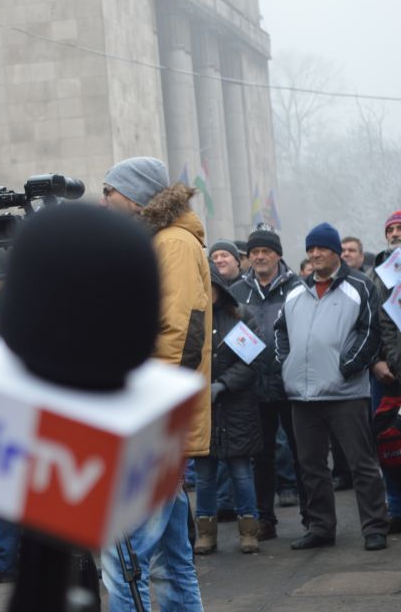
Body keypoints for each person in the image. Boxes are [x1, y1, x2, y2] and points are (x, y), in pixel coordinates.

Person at [100, 156, 210, 612]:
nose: (103, 201)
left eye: (109, 191)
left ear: (135, 197)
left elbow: (181, 336)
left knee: (122, 557)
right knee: (170, 560)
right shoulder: (161, 241)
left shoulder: (173, 244)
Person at [275, 222, 388, 551]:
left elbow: (372, 331)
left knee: (361, 463)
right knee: (311, 466)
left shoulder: (359, 286)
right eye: (310, 249)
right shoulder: (296, 291)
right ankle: (321, 527)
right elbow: (281, 330)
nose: (315, 254)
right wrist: (287, 362)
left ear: (336, 251)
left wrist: (349, 366)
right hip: (302, 395)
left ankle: (374, 527)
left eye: (321, 248)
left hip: (345, 393)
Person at [229, 226, 305, 540]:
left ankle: (313, 518)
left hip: (292, 384)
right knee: (261, 457)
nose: (260, 257)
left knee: (303, 454)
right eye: (255, 252)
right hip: (255, 386)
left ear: (278, 255)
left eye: (266, 251)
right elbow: (231, 334)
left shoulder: (297, 287)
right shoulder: (237, 291)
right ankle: (264, 520)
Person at [193, 263, 261, 555]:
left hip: (237, 408)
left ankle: (249, 531)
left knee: (241, 473)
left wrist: (223, 384)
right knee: (204, 477)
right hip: (202, 409)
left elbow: (252, 362)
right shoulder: (189, 320)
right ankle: (206, 534)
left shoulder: (240, 316)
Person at [369, 210, 401, 531]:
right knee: (388, 440)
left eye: (400, 228)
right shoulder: (375, 275)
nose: (395, 234)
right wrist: (375, 361)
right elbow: (367, 324)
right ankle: (396, 507)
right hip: (385, 373)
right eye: (390, 229)